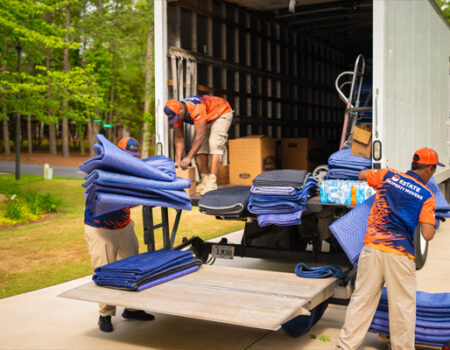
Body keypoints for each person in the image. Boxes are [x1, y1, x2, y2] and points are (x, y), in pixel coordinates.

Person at [336, 147, 441, 350]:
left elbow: (362, 174)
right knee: (402, 308)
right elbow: (427, 234)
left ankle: (345, 346)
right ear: (428, 169)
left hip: (372, 249)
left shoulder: (388, 175)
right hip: (399, 255)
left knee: (361, 301)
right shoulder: (426, 195)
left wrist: (374, 177)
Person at [84, 137, 154, 333]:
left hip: (123, 226)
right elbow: (102, 201)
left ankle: (132, 309)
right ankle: (105, 314)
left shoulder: (131, 171)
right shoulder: (102, 172)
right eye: (127, 155)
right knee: (105, 270)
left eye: (133, 156)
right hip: (101, 229)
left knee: (133, 268)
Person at [164, 95, 233, 195]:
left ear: (181, 109)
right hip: (207, 118)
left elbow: (200, 136)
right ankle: (205, 180)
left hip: (221, 112)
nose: (177, 120)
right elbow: (179, 138)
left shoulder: (196, 107)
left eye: (177, 117)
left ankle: (212, 183)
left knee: (214, 144)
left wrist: (188, 157)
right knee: (199, 150)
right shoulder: (176, 114)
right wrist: (178, 159)